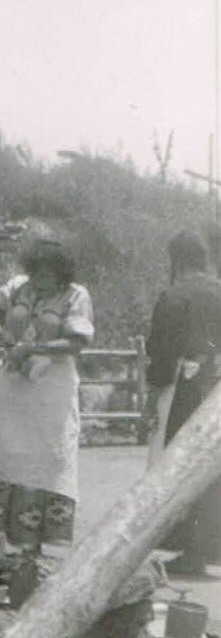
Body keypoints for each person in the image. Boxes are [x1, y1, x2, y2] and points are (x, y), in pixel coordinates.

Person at [0, 238, 94, 556]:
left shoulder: (76, 295)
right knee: (6, 452)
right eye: (38, 273)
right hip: (14, 387)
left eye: (50, 274)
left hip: (51, 390)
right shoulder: (18, 288)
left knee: (46, 457)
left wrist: (34, 348)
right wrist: (6, 337)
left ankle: (35, 546)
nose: (42, 280)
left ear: (61, 274)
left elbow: (76, 342)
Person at [145, 229, 221, 576]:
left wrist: (152, 396)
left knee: (182, 466)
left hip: (185, 392)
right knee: (214, 473)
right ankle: (209, 547)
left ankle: (190, 550)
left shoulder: (175, 296)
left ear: (176, 260)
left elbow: (161, 355)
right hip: (216, 388)